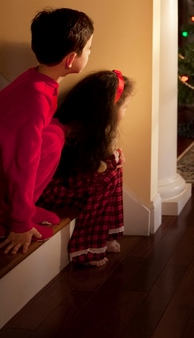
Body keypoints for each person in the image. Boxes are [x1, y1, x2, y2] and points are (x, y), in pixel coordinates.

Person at [0, 7, 94, 255]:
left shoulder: (39, 81)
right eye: (89, 49)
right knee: (50, 141)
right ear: (70, 59)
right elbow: (22, 162)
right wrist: (20, 223)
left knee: (56, 131)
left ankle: (23, 208)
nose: (90, 53)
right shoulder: (34, 96)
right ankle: (8, 218)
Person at [36, 70, 134, 267]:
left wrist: (112, 158)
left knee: (114, 168)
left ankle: (108, 233)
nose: (125, 112)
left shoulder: (90, 129)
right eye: (124, 107)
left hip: (65, 181)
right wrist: (106, 163)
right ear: (108, 110)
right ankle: (86, 249)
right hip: (48, 190)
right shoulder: (70, 132)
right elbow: (78, 168)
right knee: (105, 178)